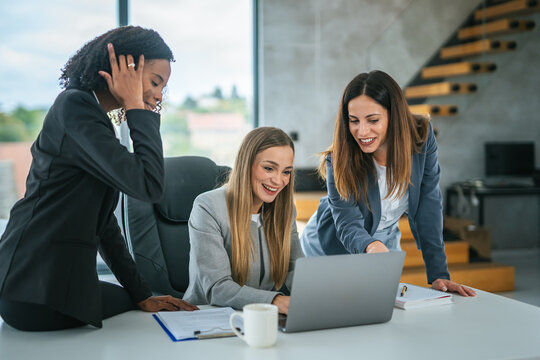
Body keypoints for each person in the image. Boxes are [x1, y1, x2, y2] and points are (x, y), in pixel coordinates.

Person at [0, 26, 198, 332]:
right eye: (155, 82)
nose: (159, 96)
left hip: (40, 286)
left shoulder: (91, 118)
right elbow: (149, 185)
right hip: (32, 286)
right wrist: (135, 107)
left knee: (138, 311)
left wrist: (141, 293)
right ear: (125, 68)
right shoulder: (74, 107)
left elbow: (104, 223)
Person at [300, 70, 476, 296]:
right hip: (333, 239)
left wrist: (438, 274)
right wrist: (371, 247)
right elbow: (347, 222)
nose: (362, 131)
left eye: (373, 120)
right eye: (354, 121)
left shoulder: (421, 136)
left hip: (385, 238)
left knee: (382, 308)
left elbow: (428, 205)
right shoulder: (339, 158)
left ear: (394, 116)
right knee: (340, 307)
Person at [183, 127, 304, 314]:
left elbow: (296, 270)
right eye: (269, 168)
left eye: (286, 172)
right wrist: (276, 301)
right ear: (246, 164)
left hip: (261, 317)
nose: (278, 181)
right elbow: (217, 288)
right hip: (208, 317)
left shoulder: (284, 210)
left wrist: (316, 292)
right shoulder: (208, 207)